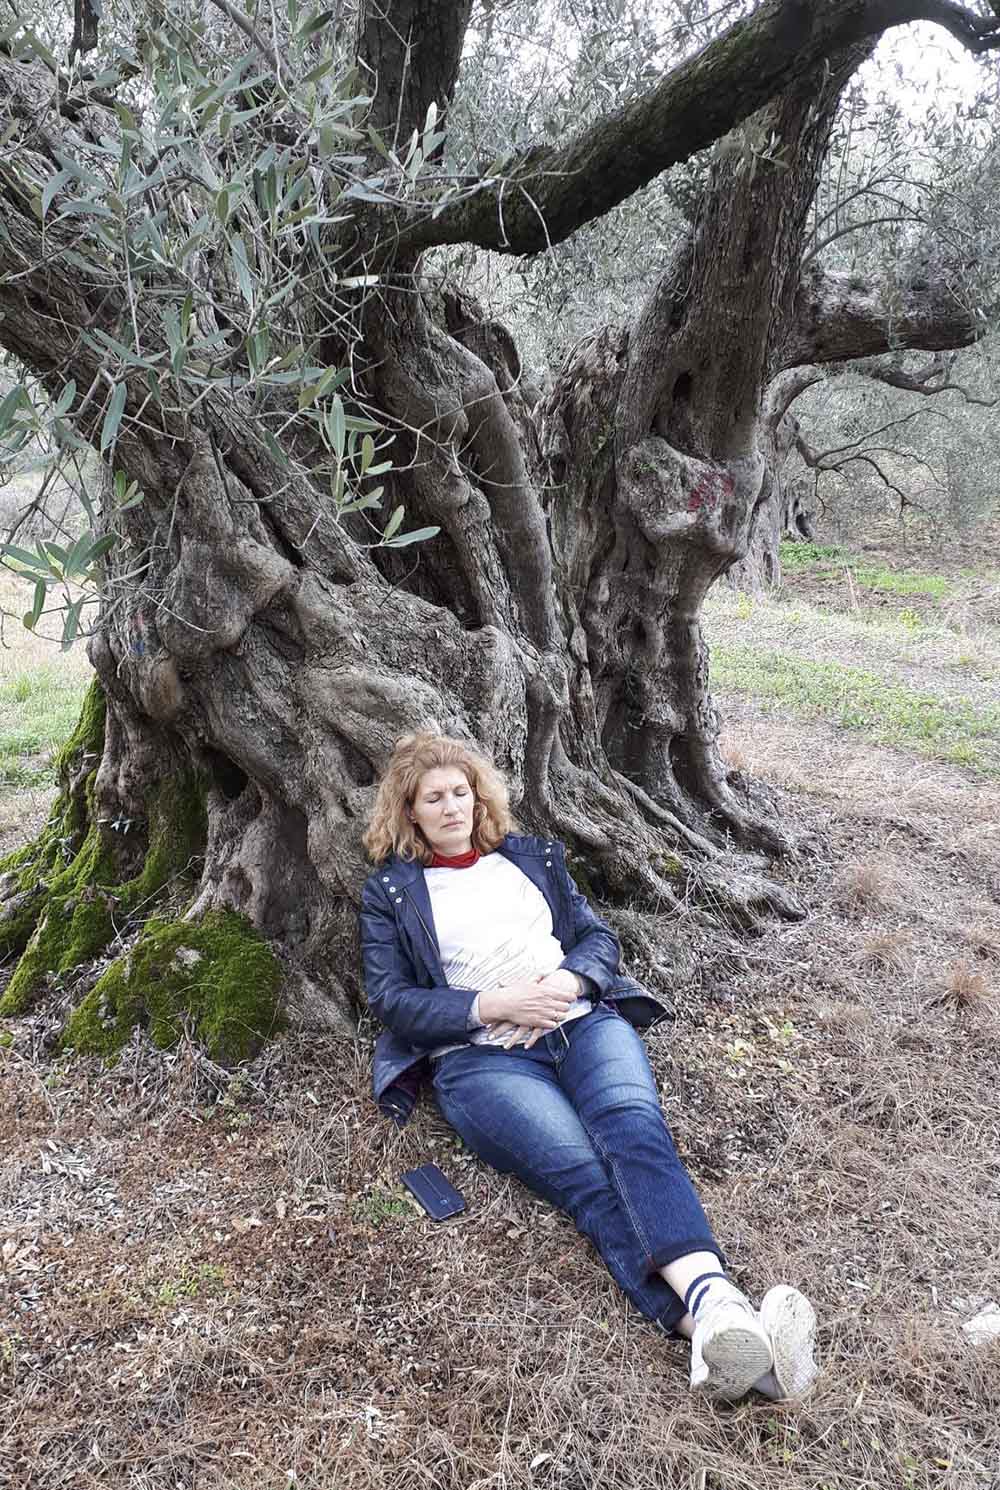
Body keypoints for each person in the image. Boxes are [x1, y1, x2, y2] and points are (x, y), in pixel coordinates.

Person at [360, 732, 818, 1401]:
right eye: (435, 798)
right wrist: (492, 1002)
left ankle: (716, 1311)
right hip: (484, 1061)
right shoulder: (393, 892)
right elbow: (392, 1001)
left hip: (581, 1025)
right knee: (584, 1172)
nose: (452, 807)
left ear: (478, 795)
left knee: (633, 1132)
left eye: (461, 791)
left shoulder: (528, 857)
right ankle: (718, 1326)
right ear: (410, 810)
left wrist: (570, 985)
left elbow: (597, 939)